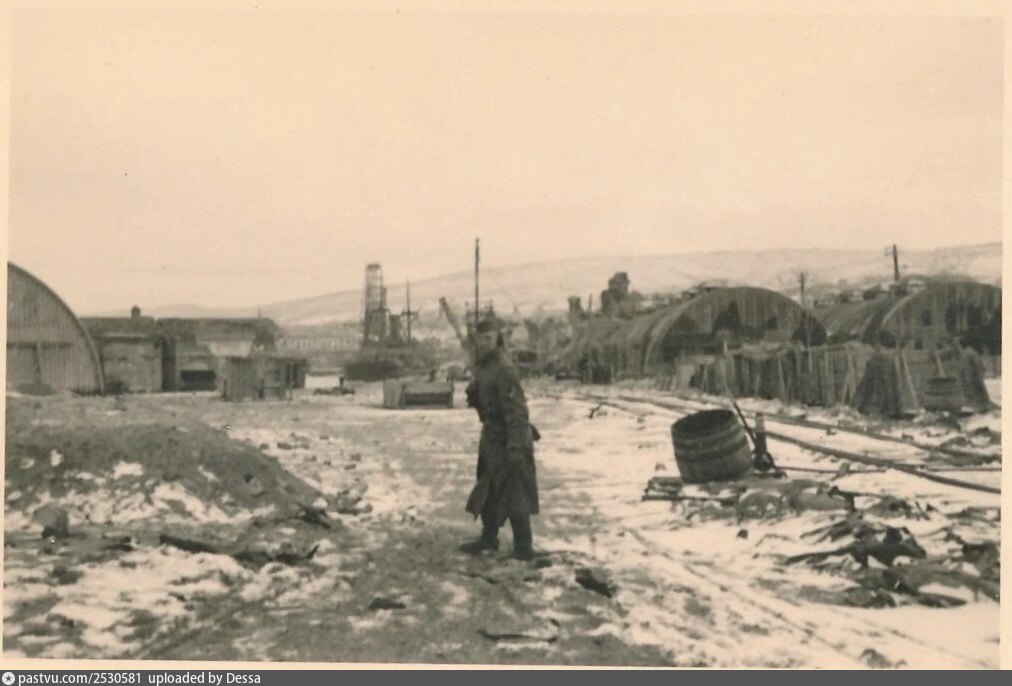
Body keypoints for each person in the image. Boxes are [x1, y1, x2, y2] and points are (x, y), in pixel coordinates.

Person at [460, 314, 540, 561]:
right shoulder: (484, 367)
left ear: (498, 339)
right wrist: (475, 398)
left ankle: (524, 546)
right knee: (489, 489)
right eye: (480, 338)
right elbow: (485, 400)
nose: (483, 342)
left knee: (515, 491)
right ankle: (488, 537)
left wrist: (516, 448)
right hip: (492, 438)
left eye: (488, 338)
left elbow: (517, 412)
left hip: (509, 438)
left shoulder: (504, 369)